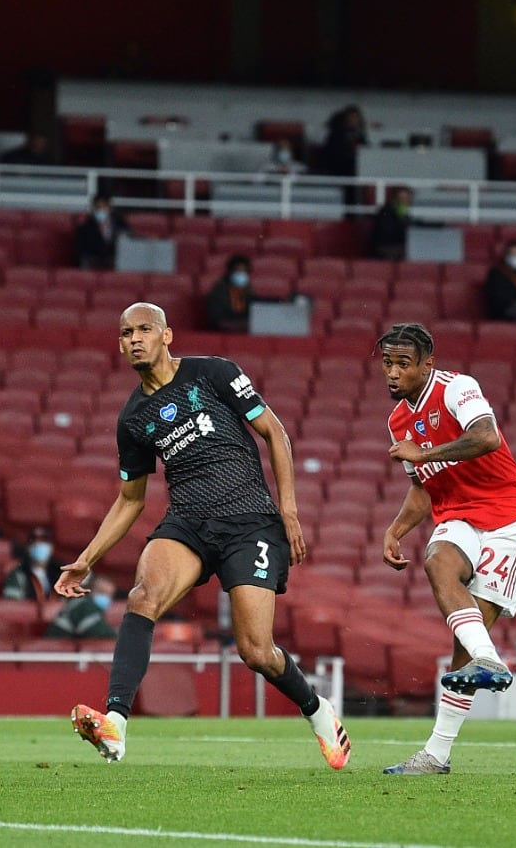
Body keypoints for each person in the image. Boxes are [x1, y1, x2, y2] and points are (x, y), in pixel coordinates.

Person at [58, 302, 350, 769]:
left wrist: (289, 512)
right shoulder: (133, 418)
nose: (134, 339)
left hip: (249, 519)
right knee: (141, 596)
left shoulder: (213, 373)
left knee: (256, 652)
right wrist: (88, 557)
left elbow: (274, 433)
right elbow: (131, 499)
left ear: (166, 335)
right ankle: (115, 722)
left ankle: (318, 711)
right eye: (125, 332)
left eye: (144, 330)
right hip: (188, 523)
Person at [375, 322, 516, 775]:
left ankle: (437, 754)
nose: (392, 373)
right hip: (458, 516)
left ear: (428, 364)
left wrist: (423, 454)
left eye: (403, 364)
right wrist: (395, 530)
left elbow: (486, 437)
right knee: (437, 561)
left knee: (463, 652)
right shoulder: (397, 422)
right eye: (387, 363)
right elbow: (424, 491)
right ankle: (492, 661)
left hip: (509, 519)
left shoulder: (457, 388)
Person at [45, 574, 118, 639]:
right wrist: (120, 637)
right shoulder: (83, 604)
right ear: (89, 590)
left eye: (109, 595)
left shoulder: (93, 608)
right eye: (101, 592)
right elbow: (95, 631)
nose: (105, 597)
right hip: (55, 648)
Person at [2, 526, 61, 601]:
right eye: (34, 540)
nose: (38, 544)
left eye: (44, 540)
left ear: (52, 547)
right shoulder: (17, 575)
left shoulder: (59, 574)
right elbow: (12, 607)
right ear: (28, 547)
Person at [203, 254, 259, 333]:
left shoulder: (248, 291)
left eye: (244, 272)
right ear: (230, 272)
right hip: (223, 332)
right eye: (238, 271)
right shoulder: (219, 292)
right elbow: (216, 319)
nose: (241, 274)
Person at [483, 240, 516, 322]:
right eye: (512, 253)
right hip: (502, 311)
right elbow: (495, 297)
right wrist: (514, 303)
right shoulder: (496, 272)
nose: (515, 256)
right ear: (506, 255)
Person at [74, 194, 130, 269]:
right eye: (98, 208)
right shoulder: (85, 228)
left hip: (115, 263)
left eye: (104, 207)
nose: (102, 210)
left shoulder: (120, 224)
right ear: (93, 209)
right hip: (94, 263)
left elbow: (130, 241)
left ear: (110, 208)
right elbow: (82, 252)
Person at [369, 186, 414, 261]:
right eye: (403, 198)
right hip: (385, 246)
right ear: (396, 197)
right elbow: (388, 230)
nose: (407, 200)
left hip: (395, 245)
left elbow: (406, 225)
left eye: (408, 198)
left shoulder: (401, 210)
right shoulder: (386, 210)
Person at [320, 104, 366, 178]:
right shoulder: (336, 134)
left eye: (356, 117)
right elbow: (335, 154)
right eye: (351, 117)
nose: (354, 120)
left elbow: (365, 150)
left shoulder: (359, 134)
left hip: (356, 169)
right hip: (337, 169)